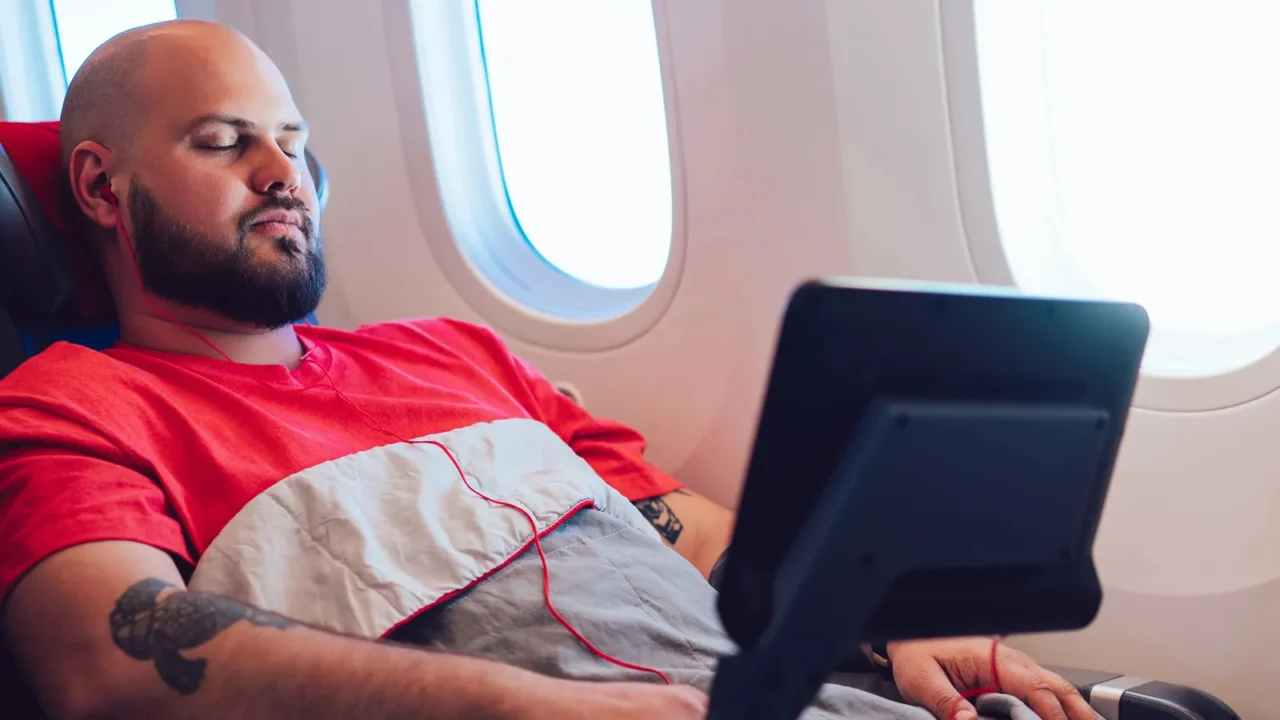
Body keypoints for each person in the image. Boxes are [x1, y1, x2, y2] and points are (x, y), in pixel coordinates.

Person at [0, 20, 1094, 720]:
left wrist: (886, 616)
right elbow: (108, 660)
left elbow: (687, 534)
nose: (284, 173)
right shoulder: (69, 407)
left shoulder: (452, 351)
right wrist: (524, 706)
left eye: (292, 139)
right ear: (98, 188)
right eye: (223, 141)